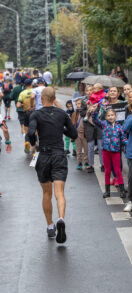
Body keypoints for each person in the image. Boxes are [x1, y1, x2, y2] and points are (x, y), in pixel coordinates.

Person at [28, 87, 77, 244]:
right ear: (54, 98)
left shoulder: (36, 114)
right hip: (58, 155)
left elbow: (30, 132)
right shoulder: (62, 114)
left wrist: (34, 141)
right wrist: (60, 128)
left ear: (42, 98)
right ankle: (61, 218)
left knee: (46, 193)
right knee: (59, 192)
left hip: (43, 156)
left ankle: (50, 226)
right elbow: (74, 134)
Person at [92, 106, 127, 198]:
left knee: (118, 171)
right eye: (108, 115)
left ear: (115, 116)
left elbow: (123, 139)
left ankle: (122, 190)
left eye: (112, 115)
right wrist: (96, 109)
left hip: (116, 152)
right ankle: (107, 191)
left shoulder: (120, 127)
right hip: (106, 151)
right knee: (107, 171)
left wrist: (127, 144)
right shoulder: (104, 124)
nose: (110, 117)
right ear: (106, 117)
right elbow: (95, 119)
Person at [17, 79, 35, 154]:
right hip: (35, 112)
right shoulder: (34, 91)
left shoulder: (22, 93)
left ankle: (27, 143)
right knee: (35, 131)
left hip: (26, 113)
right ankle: (34, 146)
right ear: (31, 84)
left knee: (27, 130)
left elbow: (18, 105)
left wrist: (22, 105)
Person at [71, 97, 88, 170]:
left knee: (86, 149)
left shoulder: (86, 112)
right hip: (77, 134)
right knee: (78, 150)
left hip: (85, 134)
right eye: (76, 104)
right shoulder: (75, 113)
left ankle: (87, 162)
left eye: (79, 103)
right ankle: (79, 162)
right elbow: (72, 124)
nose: (78, 105)